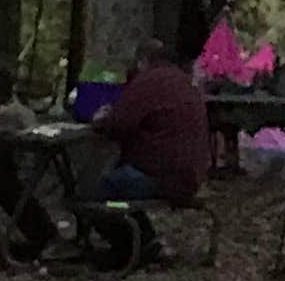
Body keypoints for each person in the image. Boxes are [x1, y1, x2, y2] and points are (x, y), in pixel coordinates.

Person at [89, 34, 209, 239]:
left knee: (95, 193)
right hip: (189, 173)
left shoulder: (149, 81)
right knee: (119, 181)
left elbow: (119, 123)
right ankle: (143, 240)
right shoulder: (181, 80)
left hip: (161, 175)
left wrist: (101, 120)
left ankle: (129, 245)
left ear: (143, 61)